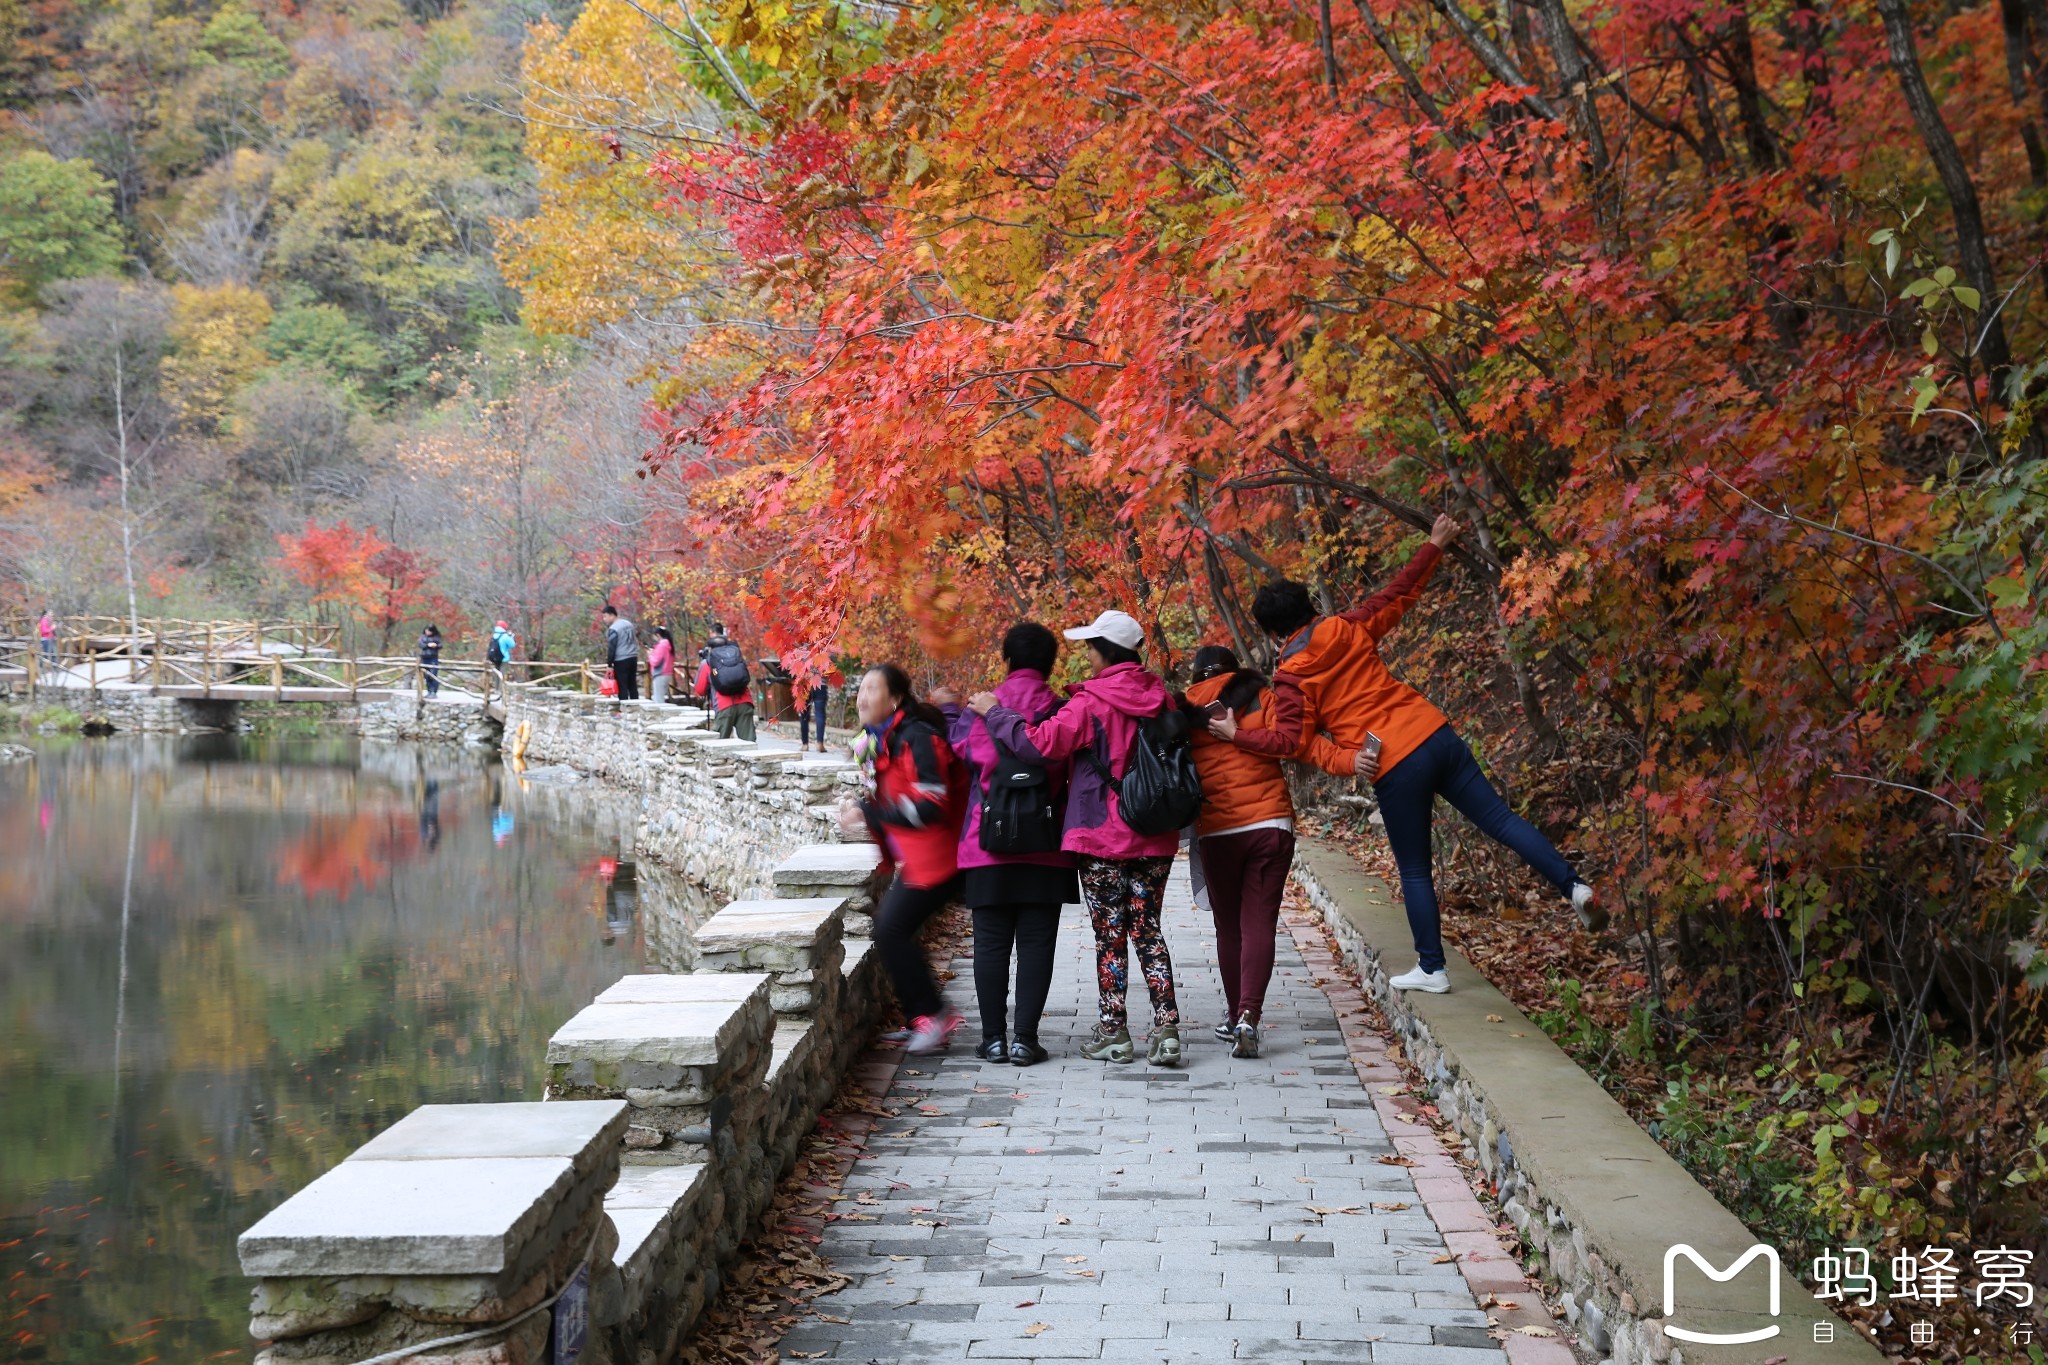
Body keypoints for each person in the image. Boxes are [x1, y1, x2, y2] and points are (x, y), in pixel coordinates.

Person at [1219, 514, 1599, 996]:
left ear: (1275, 635)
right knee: (1501, 820)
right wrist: (1434, 544)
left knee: (1416, 868)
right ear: (1310, 608)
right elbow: (1398, 593)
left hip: (1395, 764)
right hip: (1434, 732)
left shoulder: (1293, 675)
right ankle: (1573, 887)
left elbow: (1291, 742)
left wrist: (1238, 735)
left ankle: (1432, 968)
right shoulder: (1348, 627)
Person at [970, 609, 1184, 1067]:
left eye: (1090, 646)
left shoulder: (1090, 702)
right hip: (1156, 832)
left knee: (1111, 936)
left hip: (1102, 834)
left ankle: (1115, 1033)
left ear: (1104, 651)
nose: (1086, 654)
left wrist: (996, 712)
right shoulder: (1163, 698)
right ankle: (1166, 1032)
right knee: (1148, 930)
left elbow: (1038, 744)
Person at [933, 624, 1077, 1066]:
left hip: (986, 844)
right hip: (1046, 844)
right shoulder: (1062, 710)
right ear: (1051, 665)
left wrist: (950, 709)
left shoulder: (980, 710)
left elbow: (960, 752)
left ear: (1007, 660)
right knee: (1037, 944)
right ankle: (1024, 1041)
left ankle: (993, 1039)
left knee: (991, 944)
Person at [839, 664, 969, 1053]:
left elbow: (932, 803)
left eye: (872, 689)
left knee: (891, 931)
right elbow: (888, 792)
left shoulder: (918, 738)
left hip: (943, 858)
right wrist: (864, 807)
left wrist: (872, 814)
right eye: (860, 689)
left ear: (895, 698)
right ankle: (922, 1016)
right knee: (894, 930)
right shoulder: (879, 740)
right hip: (923, 858)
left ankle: (932, 1016)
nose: (862, 697)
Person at [1182, 645, 1293, 1058]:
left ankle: (1233, 1015)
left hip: (1218, 829)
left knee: (1229, 928)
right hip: (1270, 823)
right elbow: (1287, 742)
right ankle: (1250, 1015)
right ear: (1235, 671)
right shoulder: (1263, 697)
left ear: (1196, 675)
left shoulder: (1185, 708)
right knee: (1259, 922)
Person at [693, 628, 757, 740]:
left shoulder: (708, 662)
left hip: (723, 707)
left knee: (721, 746)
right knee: (749, 743)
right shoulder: (735, 655)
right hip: (745, 702)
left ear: (710, 648)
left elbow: (699, 690)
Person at [798, 660, 844, 753]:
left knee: (804, 714)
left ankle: (805, 744)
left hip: (805, 685)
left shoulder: (801, 649)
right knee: (820, 714)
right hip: (820, 685)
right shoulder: (824, 649)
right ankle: (820, 743)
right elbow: (831, 669)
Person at [601, 604, 639, 702]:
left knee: (622, 686)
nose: (604, 619)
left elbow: (612, 647)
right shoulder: (628, 624)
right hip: (633, 657)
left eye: (605, 616)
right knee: (632, 684)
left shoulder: (614, 628)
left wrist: (609, 663)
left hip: (621, 659)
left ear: (611, 615)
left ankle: (624, 708)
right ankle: (636, 705)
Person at [649, 627, 675, 705]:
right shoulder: (668, 644)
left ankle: (661, 715)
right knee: (660, 697)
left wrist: (650, 655)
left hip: (660, 673)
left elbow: (656, 661)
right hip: (667, 672)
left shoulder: (662, 645)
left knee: (658, 699)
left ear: (658, 635)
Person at [417, 624, 443, 697]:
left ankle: (434, 691)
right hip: (425, 657)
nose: (427, 632)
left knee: (433, 674)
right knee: (426, 675)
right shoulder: (422, 637)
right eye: (427, 630)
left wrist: (435, 645)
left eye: (429, 631)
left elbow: (440, 645)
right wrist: (428, 645)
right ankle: (429, 691)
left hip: (433, 657)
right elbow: (421, 645)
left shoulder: (437, 637)